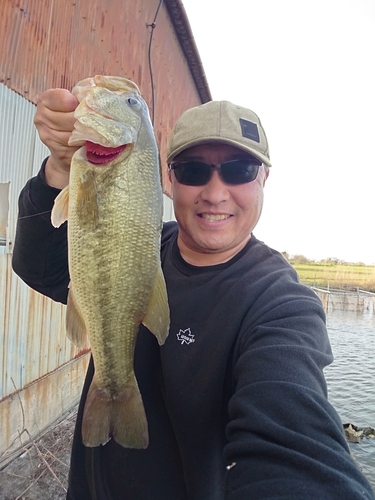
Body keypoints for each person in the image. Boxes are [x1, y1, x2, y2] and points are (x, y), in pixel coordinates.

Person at [12, 90, 374, 500]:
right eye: (193, 170)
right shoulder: (137, 244)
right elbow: (38, 266)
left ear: (264, 179)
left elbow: (291, 436)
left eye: (239, 169)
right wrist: (59, 170)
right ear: (169, 177)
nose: (215, 193)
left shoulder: (282, 304)